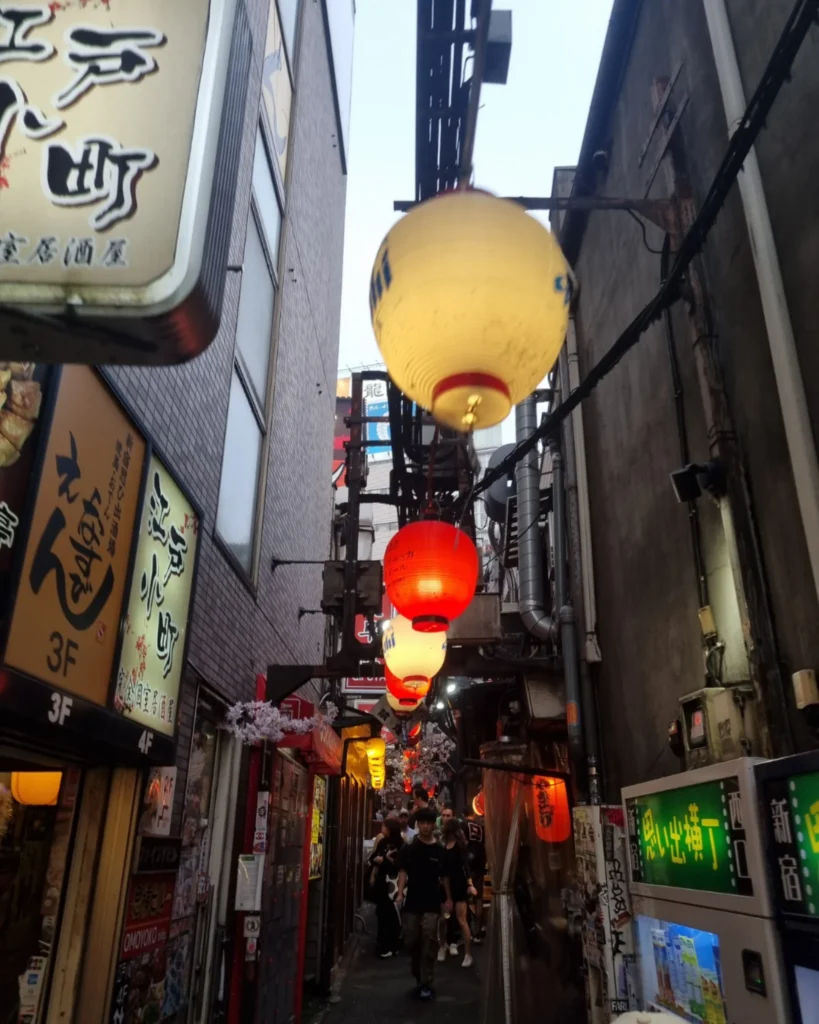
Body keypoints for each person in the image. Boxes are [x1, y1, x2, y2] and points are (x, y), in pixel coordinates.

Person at [397, 808, 451, 1000]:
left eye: (429, 823)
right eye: (422, 823)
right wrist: (400, 893)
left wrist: (449, 899)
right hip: (412, 902)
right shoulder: (410, 848)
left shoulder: (440, 851)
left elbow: (444, 877)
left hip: (431, 903)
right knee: (411, 941)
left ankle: (426, 981)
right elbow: (403, 871)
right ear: (418, 824)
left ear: (432, 824)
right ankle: (418, 974)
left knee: (429, 941)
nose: (426, 826)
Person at [439, 818, 477, 967]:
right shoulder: (444, 847)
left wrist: (469, 883)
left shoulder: (459, 847)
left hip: (459, 885)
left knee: (461, 920)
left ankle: (468, 954)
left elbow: (465, 866)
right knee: (443, 919)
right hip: (446, 885)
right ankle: (443, 945)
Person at [368, 817, 404, 958]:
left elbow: (400, 866)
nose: (382, 828)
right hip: (382, 883)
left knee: (391, 915)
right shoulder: (383, 842)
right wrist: (377, 860)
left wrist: (385, 860)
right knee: (382, 913)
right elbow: (372, 857)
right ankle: (383, 944)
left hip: (393, 884)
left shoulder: (400, 844)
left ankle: (391, 945)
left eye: (384, 826)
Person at [465, 812, 487, 943]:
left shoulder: (463, 825)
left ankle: (470, 928)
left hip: (468, 864)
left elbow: (463, 842)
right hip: (479, 863)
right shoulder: (480, 828)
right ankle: (478, 930)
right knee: (478, 898)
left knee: (466, 898)